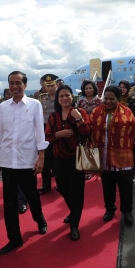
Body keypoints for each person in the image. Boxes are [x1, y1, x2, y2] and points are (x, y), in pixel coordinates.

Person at [0, 71, 48, 255]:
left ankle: (40, 219)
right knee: (9, 202)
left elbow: (40, 132)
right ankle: (14, 239)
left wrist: (41, 157)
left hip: (27, 161)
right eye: (11, 83)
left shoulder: (35, 105)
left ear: (24, 84)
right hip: (7, 161)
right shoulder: (3, 107)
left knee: (32, 195)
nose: (14, 87)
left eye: (18, 83)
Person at [91, 85, 135, 225]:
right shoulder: (96, 112)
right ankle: (109, 209)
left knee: (125, 187)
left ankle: (127, 211)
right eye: (106, 98)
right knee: (107, 186)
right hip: (104, 158)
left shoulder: (126, 112)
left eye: (112, 99)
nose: (108, 102)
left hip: (124, 159)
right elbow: (89, 131)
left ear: (118, 99)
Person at [44, 85, 91, 240]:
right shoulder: (53, 116)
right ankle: (74, 211)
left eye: (67, 95)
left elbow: (87, 133)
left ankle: (74, 225)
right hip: (59, 158)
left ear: (72, 97)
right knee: (62, 188)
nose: (64, 98)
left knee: (77, 192)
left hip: (77, 158)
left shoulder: (80, 112)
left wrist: (78, 119)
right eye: (61, 96)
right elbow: (48, 137)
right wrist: (59, 134)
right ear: (58, 100)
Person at [38, 73, 58, 193]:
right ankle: (46, 185)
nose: (50, 88)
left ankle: (60, 183)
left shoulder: (62, 96)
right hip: (45, 130)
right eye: (48, 85)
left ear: (56, 84)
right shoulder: (42, 98)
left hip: (59, 129)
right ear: (44, 86)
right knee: (46, 160)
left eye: (52, 85)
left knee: (59, 160)